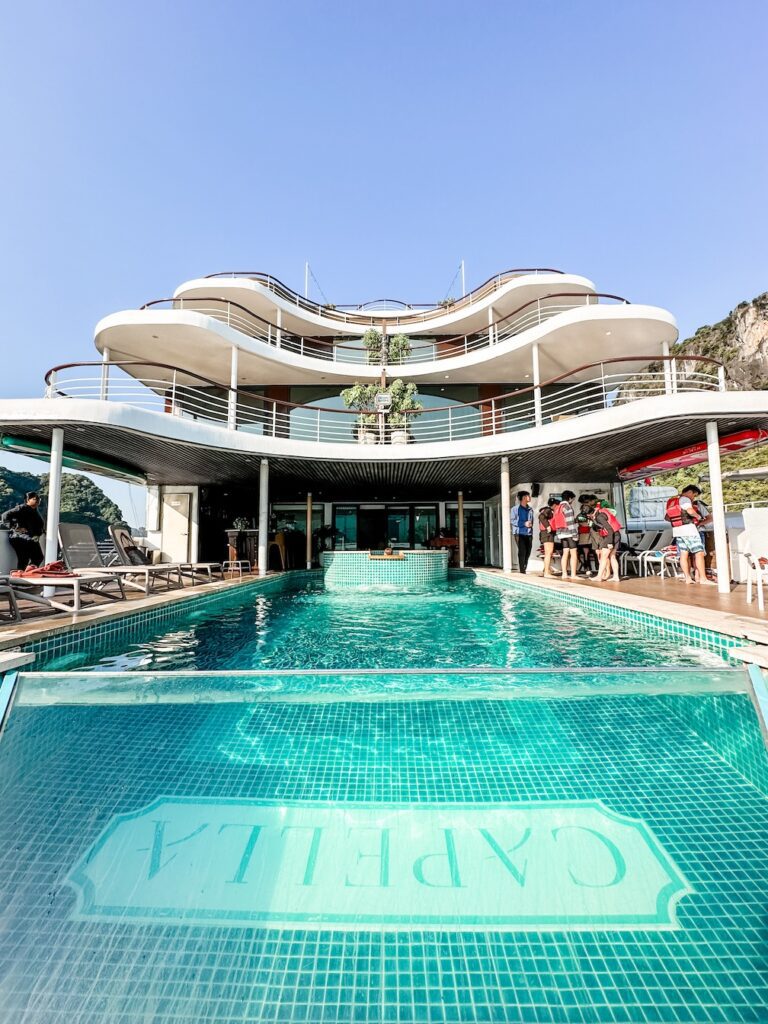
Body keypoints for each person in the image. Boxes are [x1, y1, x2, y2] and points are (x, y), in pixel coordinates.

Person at [664, 484, 715, 586]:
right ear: (690, 492)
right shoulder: (685, 499)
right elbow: (690, 511)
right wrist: (698, 517)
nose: (693, 498)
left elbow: (667, 517)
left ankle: (687, 578)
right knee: (699, 553)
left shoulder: (673, 501)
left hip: (677, 530)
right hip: (688, 529)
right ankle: (703, 579)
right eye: (694, 495)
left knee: (684, 554)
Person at [1, 491, 45, 569]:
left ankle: (28, 572)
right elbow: (5, 516)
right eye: (35, 499)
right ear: (28, 500)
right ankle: (23, 573)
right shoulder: (22, 508)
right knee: (25, 558)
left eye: (39, 499)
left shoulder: (35, 510)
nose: (38, 501)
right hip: (20, 537)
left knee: (37, 557)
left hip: (30, 538)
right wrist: (15, 527)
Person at [590, 502, 622, 583]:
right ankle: (616, 577)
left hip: (610, 536)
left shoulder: (600, 517)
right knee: (612, 556)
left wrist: (610, 543)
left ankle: (599, 577)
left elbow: (609, 530)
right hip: (617, 534)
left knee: (603, 557)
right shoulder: (602, 512)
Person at [551, 490, 579, 579]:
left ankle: (564, 574)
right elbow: (570, 522)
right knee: (573, 553)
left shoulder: (558, 507)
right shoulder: (567, 507)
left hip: (561, 533)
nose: (572, 501)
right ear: (569, 498)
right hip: (569, 532)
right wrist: (575, 534)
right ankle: (573, 575)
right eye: (572, 499)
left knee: (565, 552)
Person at [512, 490, 534, 573]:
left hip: (529, 533)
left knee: (528, 551)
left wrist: (530, 525)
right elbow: (512, 520)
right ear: (524, 497)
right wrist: (524, 523)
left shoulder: (530, 509)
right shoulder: (515, 509)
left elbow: (531, 521)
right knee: (522, 551)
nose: (530, 497)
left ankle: (524, 566)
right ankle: (522, 569)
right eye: (528, 496)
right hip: (519, 533)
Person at [576, 494, 598, 577]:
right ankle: (588, 568)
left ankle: (592, 568)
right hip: (585, 536)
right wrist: (589, 520)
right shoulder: (584, 513)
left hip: (590, 535)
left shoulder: (592, 510)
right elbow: (578, 519)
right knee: (587, 552)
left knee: (594, 552)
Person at [694, 496, 716, 575]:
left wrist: (699, 524)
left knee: (700, 553)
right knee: (700, 553)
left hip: (703, 530)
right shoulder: (696, 505)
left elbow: (710, 518)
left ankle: (701, 572)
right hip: (701, 530)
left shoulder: (698, 505)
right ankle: (700, 573)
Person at [538, 497, 559, 577]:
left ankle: (546, 571)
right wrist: (548, 526)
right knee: (549, 553)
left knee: (548, 553)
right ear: (554, 505)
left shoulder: (548, 510)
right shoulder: (548, 510)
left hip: (547, 533)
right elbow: (541, 516)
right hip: (547, 533)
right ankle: (546, 572)